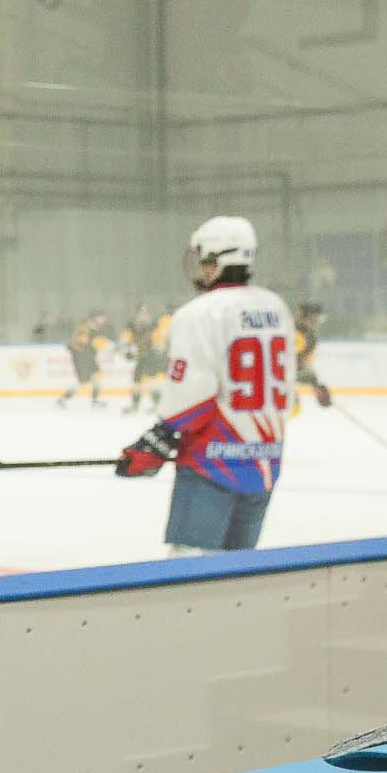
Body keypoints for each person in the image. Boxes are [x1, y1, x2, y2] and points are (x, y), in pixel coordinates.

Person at [117, 217, 295, 554]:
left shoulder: (199, 313)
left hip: (212, 464)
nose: (200, 266)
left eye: (204, 259)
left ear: (217, 259)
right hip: (264, 462)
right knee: (238, 575)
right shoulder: (277, 308)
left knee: (189, 574)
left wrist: (158, 438)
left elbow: (192, 399)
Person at [55, 309, 113, 408]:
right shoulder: (85, 327)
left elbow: (98, 342)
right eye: (101, 317)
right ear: (94, 318)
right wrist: (98, 343)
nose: (103, 320)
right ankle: (63, 399)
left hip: (89, 357)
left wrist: (104, 344)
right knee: (83, 381)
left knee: (97, 376)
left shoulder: (95, 328)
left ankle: (95, 401)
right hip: (81, 357)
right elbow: (82, 342)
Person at [122, 304, 171, 414]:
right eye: (141, 314)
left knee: (154, 382)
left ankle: (157, 405)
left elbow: (159, 342)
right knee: (137, 381)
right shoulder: (132, 328)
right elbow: (126, 342)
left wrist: (159, 349)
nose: (143, 316)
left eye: (145, 314)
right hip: (141, 358)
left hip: (153, 358)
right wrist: (128, 351)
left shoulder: (154, 327)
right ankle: (135, 404)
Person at [291, 302, 333, 417]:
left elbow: (299, 366)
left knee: (294, 409)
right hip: (276, 385)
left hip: (281, 384)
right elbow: (289, 367)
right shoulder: (299, 335)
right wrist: (315, 384)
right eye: (317, 318)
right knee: (293, 408)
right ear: (309, 317)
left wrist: (316, 385)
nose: (317, 322)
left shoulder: (307, 335)